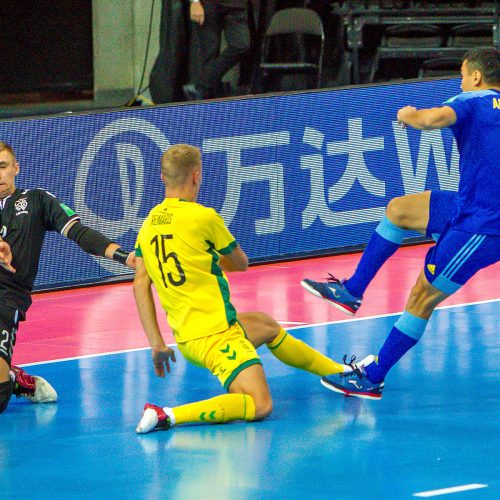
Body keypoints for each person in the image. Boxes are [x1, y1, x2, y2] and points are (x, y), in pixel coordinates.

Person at [302, 47, 500, 399]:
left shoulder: (474, 100)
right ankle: (353, 291)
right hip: (471, 204)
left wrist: (410, 115)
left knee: (422, 297)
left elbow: (434, 119)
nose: (460, 80)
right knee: (399, 210)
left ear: (476, 76)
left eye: (461, 74)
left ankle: (372, 377)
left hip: (482, 227)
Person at [134, 144, 366, 434]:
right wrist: (211, 260)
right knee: (259, 405)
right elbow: (240, 262)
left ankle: (341, 375)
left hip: (187, 336)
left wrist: (156, 343)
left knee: (267, 325)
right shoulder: (203, 217)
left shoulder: (148, 224)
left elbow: (141, 283)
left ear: (161, 177)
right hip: (216, 335)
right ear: (196, 176)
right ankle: (166, 415)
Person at [0, 141, 134, 413]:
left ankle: (13, 378)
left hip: (7, 297)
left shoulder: (36, 200)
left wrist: (123, 257)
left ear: (16, 168)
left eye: (2, 166)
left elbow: (80, 233)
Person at [182, 0, 251, 100]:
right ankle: (207, 103)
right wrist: (195, 2)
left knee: (241, 45)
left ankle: (201, 86)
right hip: (209, 4)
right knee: (210, 54)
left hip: (236, 5)